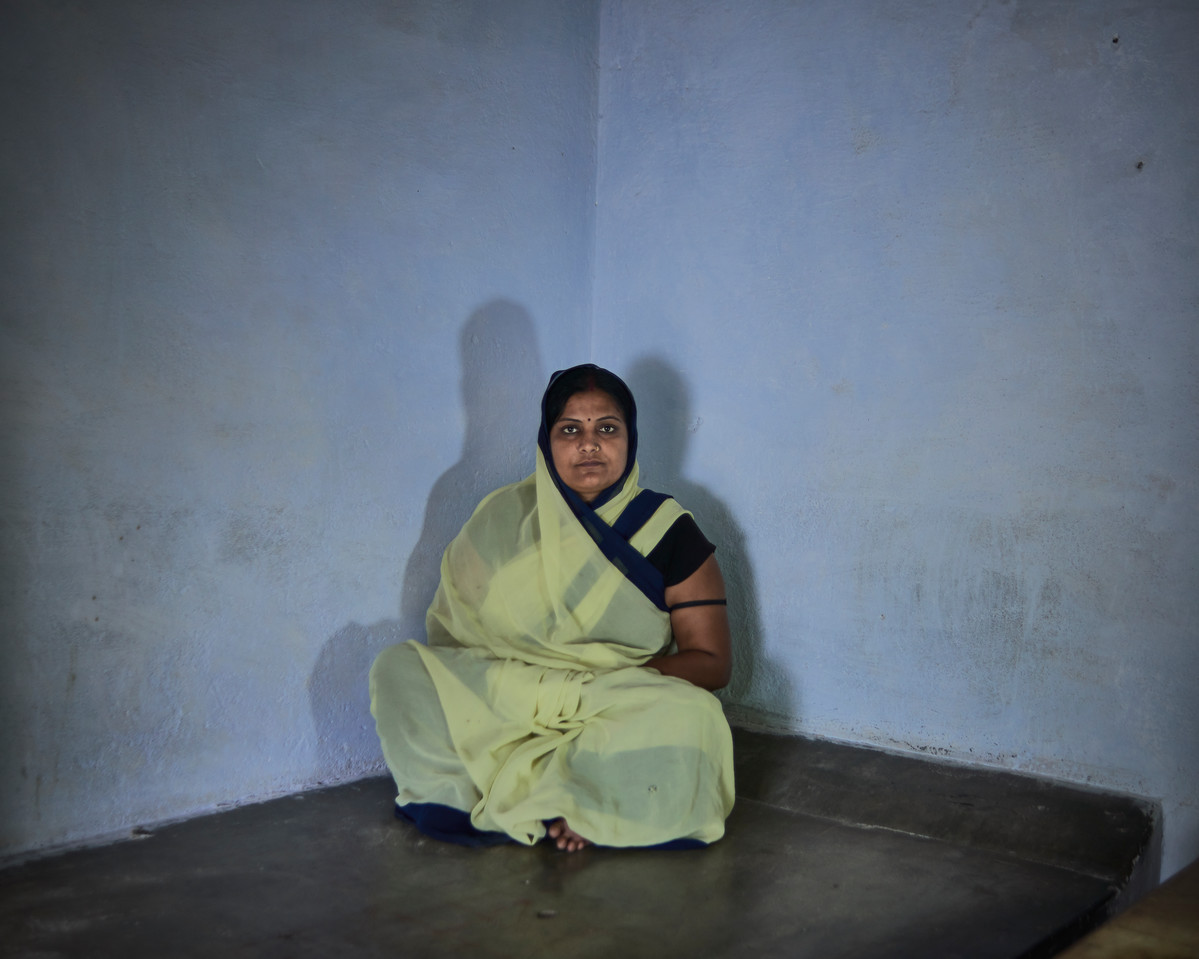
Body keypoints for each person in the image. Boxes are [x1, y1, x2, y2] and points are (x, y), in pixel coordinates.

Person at [369, 364, 734, 852]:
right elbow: (458, 639)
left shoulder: (669, 530)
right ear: (547, 441)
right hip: (515, 697)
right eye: (570, 430)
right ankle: (578, 794)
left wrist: (604, 688)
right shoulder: (502, 519)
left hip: (610, 698)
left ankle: (575, 799)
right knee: (400, 668)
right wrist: (531, 688)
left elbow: (712, 662)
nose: (589, 444)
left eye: (607, 428)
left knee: (696, 715)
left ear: (630, 438)